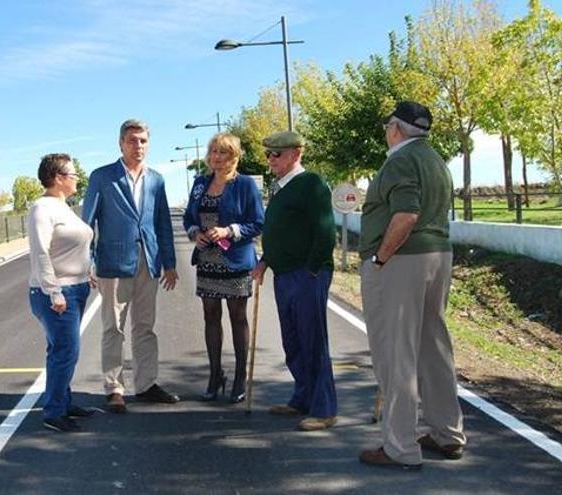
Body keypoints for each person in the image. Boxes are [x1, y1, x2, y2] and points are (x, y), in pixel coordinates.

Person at [358, 101, 465, 470]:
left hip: (401, 261)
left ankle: (400, 447)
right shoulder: (435, 160)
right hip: (438, 255)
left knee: (396, 353)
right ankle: (446, 433)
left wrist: (380, 258)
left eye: (388, 125)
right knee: (433, 347)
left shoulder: (400, 160)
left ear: (396, 129)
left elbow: (406, 214)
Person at [81, 119, 179, 413]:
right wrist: (87, 262)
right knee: (113, 329)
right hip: (112, 264)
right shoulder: (102, 177)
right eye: (132, 140)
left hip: (148, 262)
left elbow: (162, 223)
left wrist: (170, 263)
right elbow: (88, 223)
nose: (138, 146)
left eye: (143, 141)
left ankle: (146, 384)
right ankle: (114, 388)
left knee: (145, 327)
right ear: (121, 143)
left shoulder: (157, 179)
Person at [252, 130, 338, 431]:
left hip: (306, 274)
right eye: (269, 154)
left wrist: (313, 269)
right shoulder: (281, 188)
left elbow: (326, 230)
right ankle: (302, 397)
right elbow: (281, 232)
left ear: (296, 154)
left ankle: (324, 408)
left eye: (277, 154)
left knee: (313, 340)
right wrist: (265, 262)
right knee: (293, 340)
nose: (271, 159)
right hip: (284, 274)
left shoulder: (310, 183)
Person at [183, 132, 263, 403]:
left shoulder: (245, 185)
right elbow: (188, 217)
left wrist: (228, 230)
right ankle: (215, 375)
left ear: (234, 156)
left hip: (236, 261)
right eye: (214, 151)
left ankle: (240, 376)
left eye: (223, 152)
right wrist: (196, 232)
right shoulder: (200, 183)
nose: (217, 157)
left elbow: (258, 223)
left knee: (237, 317)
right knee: (210, 316)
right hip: (207, 260)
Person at [27, 153, 96, 432]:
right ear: (58, 178)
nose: (77, 178)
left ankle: (64, 402)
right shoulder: (42, 209)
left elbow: (72, 248)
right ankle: (53, 412)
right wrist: (53, 291)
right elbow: (41, 253)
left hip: (77, 288)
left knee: (62, 350)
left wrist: (86, 271)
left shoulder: (64, 207)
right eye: (73, 174)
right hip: (56, 293)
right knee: (66, 351)